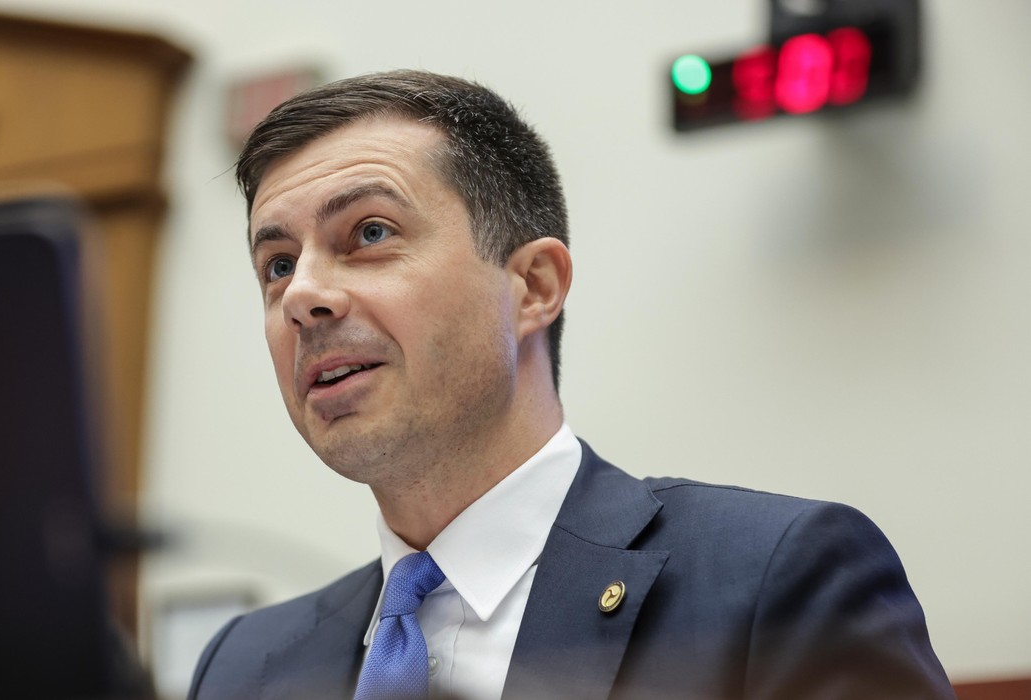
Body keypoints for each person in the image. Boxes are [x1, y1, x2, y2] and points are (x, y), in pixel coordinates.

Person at [188, 70, 953, 700]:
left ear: (533, 286)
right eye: (278, 264)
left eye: (369, 233)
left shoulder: (775, 581)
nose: (301, 297)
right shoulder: (243, 667)